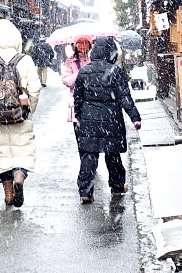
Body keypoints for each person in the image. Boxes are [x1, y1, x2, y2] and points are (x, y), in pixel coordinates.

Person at [0, 19, 41, 207]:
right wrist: (28, 109)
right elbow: (35, 88)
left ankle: (9, 193)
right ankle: (19, 177)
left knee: (2, 155)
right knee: (22, 152)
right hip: (21, 115)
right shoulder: (25, 60)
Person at [73, 37, 141, 204]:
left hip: (89, 120)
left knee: (89, 156)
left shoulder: (84, 71)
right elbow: (125, 97)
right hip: (111, 119)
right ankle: (117, 187)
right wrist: (135, 117)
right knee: (113, 155)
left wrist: (80, 116)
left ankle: (85, 190)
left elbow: (78, 99)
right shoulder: (115, 71)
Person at [60, 36, 92, 139]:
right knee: (80, 139)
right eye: (79, 43)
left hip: (93, 101)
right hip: (77, 102)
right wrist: (80, 74)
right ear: (75, 45)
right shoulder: (70, 61)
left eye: (85, 42)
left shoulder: (93, 59)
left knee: (92, 139)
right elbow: (67, 81)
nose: (82, 45)